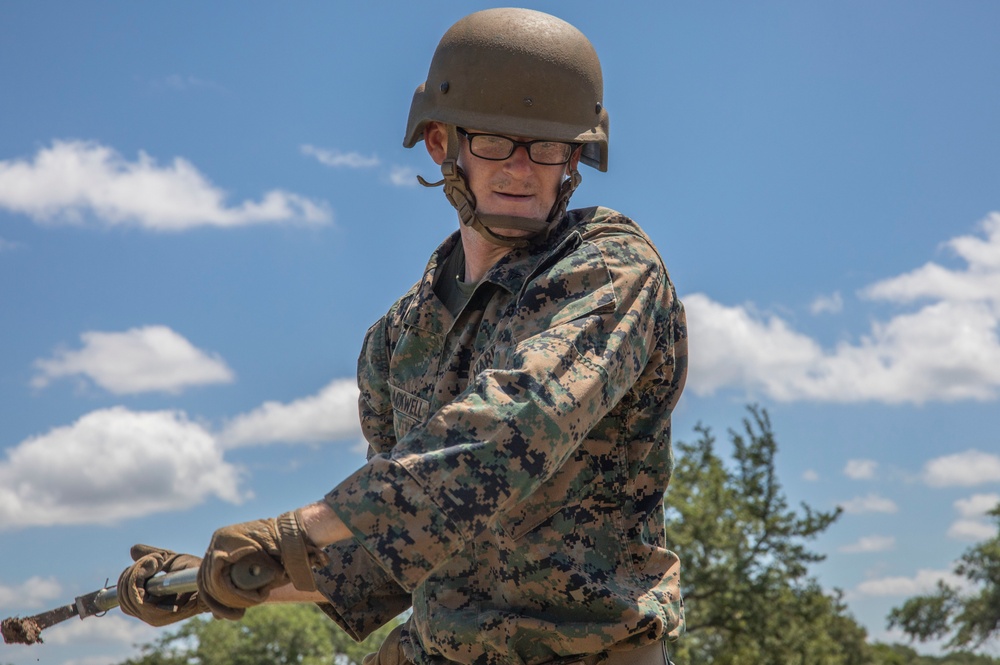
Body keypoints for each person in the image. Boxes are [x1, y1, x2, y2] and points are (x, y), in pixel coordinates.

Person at [117, 8, 688, 665]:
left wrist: (289, 531)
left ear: (577, 157)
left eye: (549, 145)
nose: (523, 168)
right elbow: (387, 554)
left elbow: (507, 430)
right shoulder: (398, 336)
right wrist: (218, 582)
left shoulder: (608, 269)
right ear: (442, 144)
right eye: (497, 141)